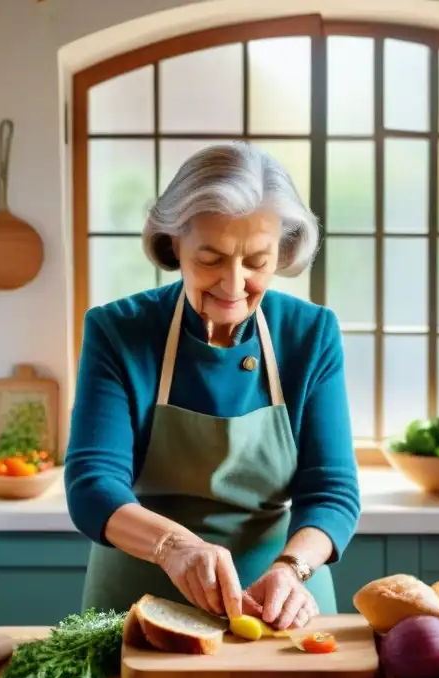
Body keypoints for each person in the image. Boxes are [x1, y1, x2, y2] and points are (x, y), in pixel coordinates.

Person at [65, 142, 360, 631]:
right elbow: (91, 484)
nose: (234, 284)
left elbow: (332, 490)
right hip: (138, 600)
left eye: (257, 261)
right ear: (173, 244)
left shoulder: (309, 334)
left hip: (278, 603)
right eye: (211, 258)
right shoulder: (119, 330)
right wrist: (174, 547)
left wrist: (293, 568)